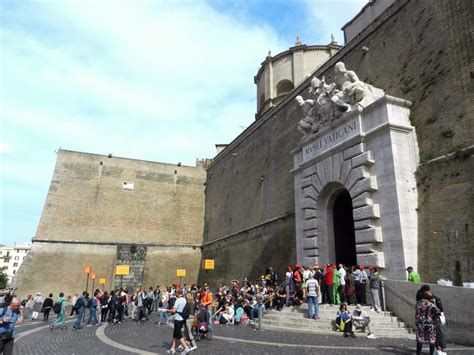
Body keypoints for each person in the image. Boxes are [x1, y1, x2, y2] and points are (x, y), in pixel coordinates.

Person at [416, 285, 446, 355]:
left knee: (420, 340)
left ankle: (419, 353)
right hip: (431, 323)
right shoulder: (431, 304)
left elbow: (417, 313)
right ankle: (434, 352)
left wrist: (418, 320)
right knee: (432, 340)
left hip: (421, 323)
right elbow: (439, 311)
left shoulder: (418, 304)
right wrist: (433, 317)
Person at [167, 289, 196, 354]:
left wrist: (167, 310)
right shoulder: (184, 299)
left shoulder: (178, 300)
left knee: (178, 334)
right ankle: (172, 348)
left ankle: (186, 348)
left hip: (178, 319)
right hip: (183, 319)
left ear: (177, 293)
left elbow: (174, 310)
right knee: (175, 333)